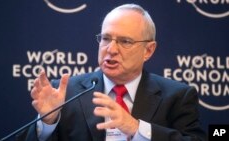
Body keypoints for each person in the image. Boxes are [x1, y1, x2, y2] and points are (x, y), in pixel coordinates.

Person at [16, 3, 207, 141]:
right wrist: (47, 123)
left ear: (148, 50)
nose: (111, 49)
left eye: (125, 41)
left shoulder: (177, 96)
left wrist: (137, 128)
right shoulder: (66, 92)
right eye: (106, 38)